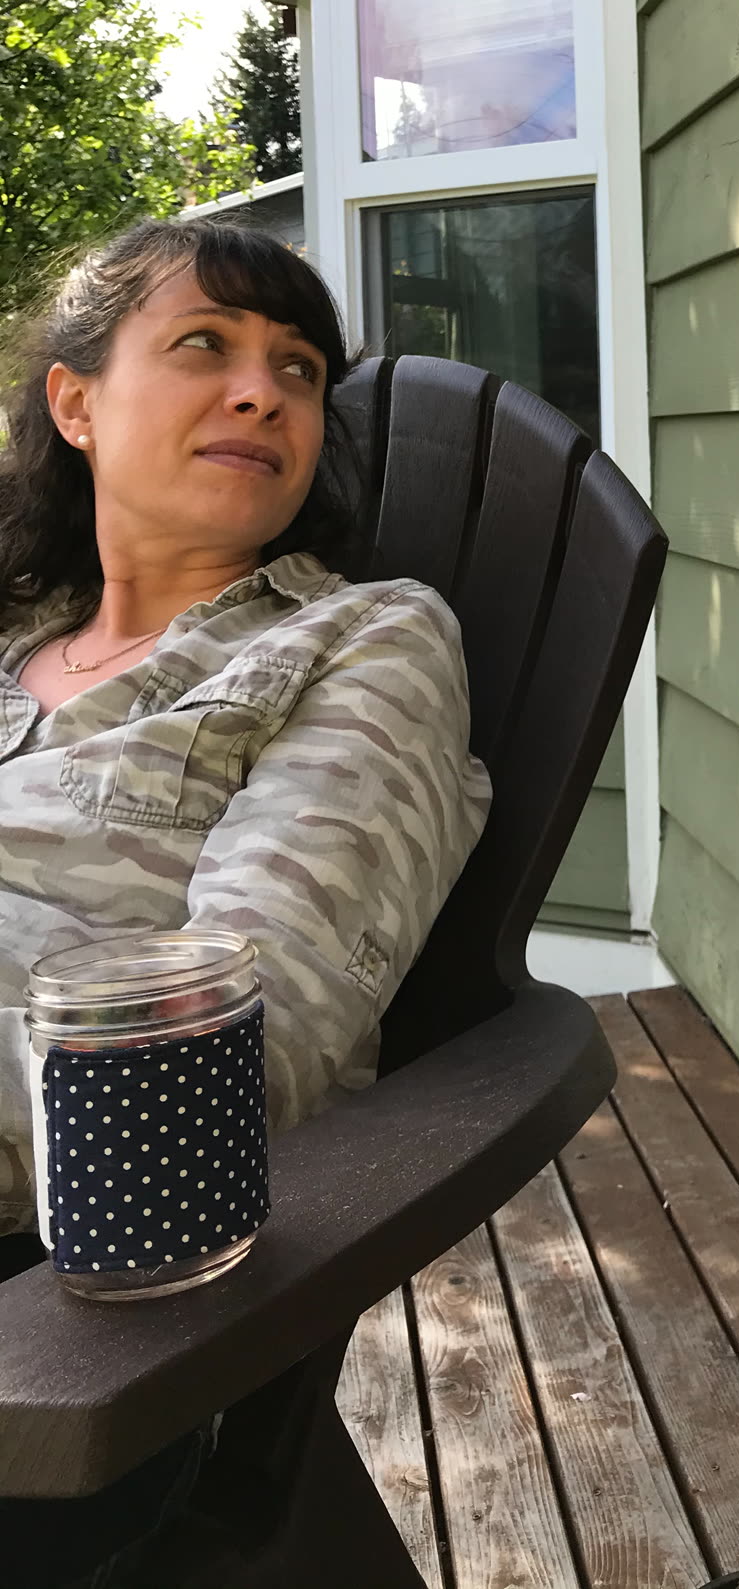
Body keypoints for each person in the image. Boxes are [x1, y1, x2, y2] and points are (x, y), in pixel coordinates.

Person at [0, 217, 491, 1585]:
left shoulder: (362, 638)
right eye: (204, 345)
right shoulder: (14, 637)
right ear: (76, 403)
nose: (262, 393)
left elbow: (240, 1026)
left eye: (298, 369)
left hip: (64, 1309)